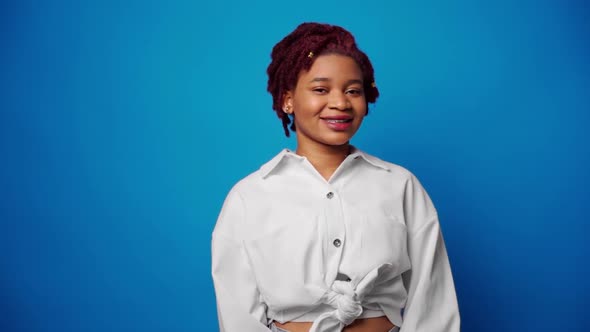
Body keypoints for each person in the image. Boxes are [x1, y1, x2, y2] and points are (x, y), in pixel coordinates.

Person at [211, 22, 460, 332]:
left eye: (353, 90)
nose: (340, 102)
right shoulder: (249, 196)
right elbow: (238, 314)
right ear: (287, 99)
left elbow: (433, 299)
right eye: (320, 89)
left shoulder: (400, 185)